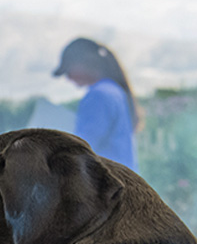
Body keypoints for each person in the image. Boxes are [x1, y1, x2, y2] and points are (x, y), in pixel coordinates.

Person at [53, 37, 141, 170]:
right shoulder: (114, 90)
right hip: (124, 180)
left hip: (107, 183)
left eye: (68, 69)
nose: (68, 77)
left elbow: (83, 148)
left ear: (85, 63)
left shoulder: (98, 95)